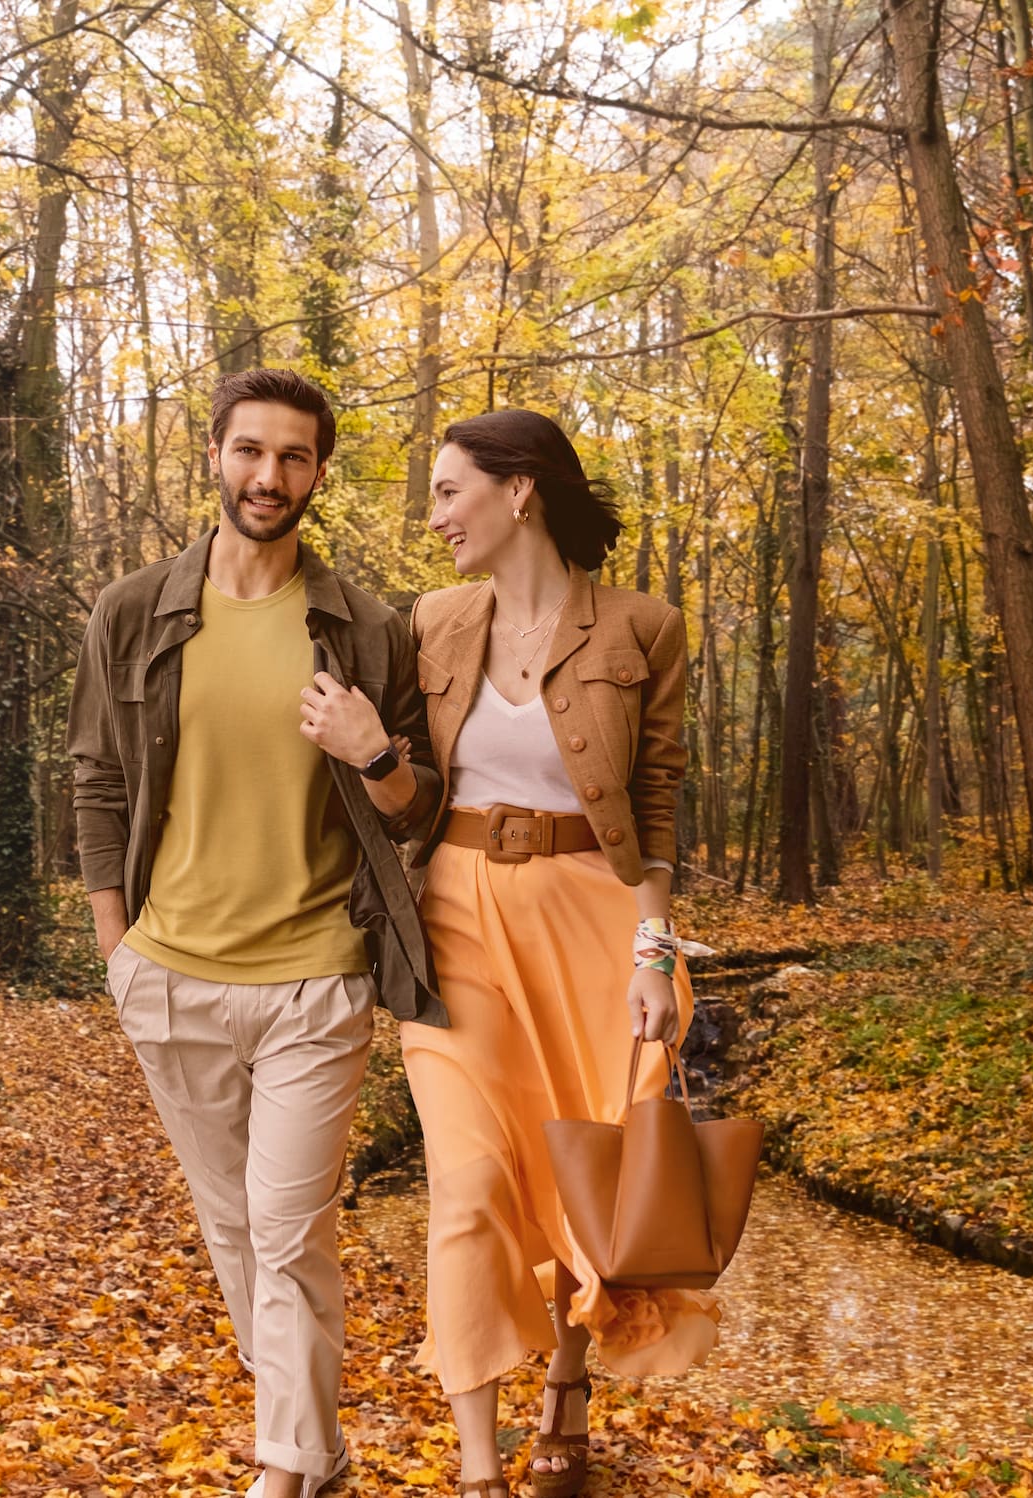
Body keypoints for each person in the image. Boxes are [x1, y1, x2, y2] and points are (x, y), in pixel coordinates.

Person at [67, 367, 445, 1498]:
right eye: (249, 451)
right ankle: (320, 1453)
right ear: (215, 455)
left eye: (292, 457)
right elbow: (94, 780)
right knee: (234, 1234)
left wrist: (373, 749)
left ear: (317, 472)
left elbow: (418, 804)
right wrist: (115, 948)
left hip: (312, 981)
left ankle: (279, 1472)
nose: (267, 476)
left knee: (287, 1233)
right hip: (169, 977)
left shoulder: (364, 628)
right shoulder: (134, 611)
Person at [401, 409, 714, 1498]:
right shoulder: (431, 622)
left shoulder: (644, 627)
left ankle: (567, 1383)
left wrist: (652, 947)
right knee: (469, 1180)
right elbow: (401, 783)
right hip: (455, 913)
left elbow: (659, 801)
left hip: (596, 914)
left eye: (449, 491)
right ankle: (478, 1468)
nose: (433, 514)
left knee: (587, 1174)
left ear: (518, 489)